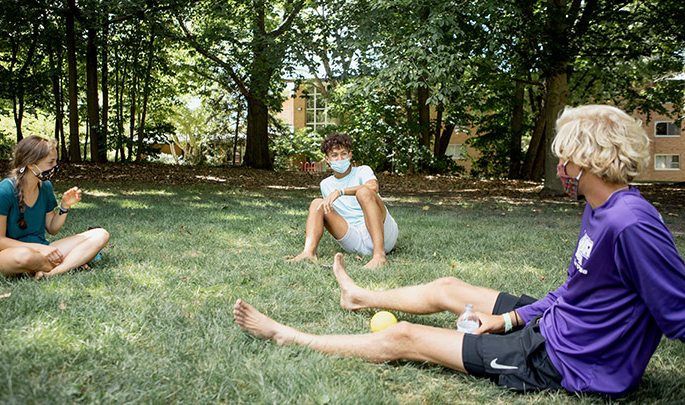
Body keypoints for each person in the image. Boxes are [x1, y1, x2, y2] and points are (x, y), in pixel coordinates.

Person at [235, 105, 685, 397]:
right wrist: (507, 320)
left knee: (405, 338)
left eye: (564, 158)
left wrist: (520, 329)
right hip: (558, 324)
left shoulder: (632, 223)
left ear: (588, 159)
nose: (560, 167)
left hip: (567, 361)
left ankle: (288, 335)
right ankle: (360, 297)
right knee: (448, 287)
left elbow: (678, 314)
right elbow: (575, 291)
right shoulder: (601, 208)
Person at [0, 135, 110, 278]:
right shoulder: (2, 192)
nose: (55, 166)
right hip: (7, 255)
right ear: (31, 164)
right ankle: (73, 262)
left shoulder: (45, 187)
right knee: (25, 257)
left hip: (44, 250)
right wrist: (39, 248)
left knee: (100, 234)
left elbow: (52, 228)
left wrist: (64, 206)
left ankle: (53, 272)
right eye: (51, 162)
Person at [287, 132, 398, 269]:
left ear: (350, 156)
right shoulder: (325, 184)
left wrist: (341, 191)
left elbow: (373, 187)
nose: (340, 158)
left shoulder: (362, 171)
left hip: (383, 234)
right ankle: (308, 252)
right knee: (317, 203)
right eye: (334, 155)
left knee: (363, 192)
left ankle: (379, 256)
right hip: (354, 237)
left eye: (343, 153)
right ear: (327, 160)